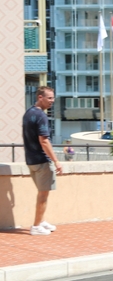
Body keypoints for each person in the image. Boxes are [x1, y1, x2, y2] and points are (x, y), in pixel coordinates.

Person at [22, 86, 63, 236]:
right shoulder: (41, 116)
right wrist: (56, 161)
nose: (52, 101)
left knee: (42, 193)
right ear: (41, 97)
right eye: (50, 98)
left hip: (31, 160)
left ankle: (42, 221)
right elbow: (44, 141)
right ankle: (36, 226)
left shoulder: (28, 113)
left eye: (53, 98)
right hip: (41, 161)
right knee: (43, 195)